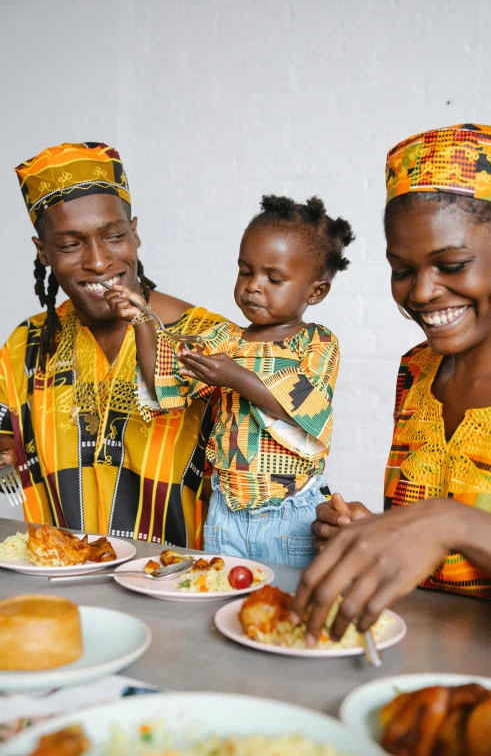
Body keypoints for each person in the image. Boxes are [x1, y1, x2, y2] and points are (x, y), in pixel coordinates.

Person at [292, 123, 491, 641]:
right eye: (402, 269)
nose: (421, 293)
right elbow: (441, 560)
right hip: (416, 662)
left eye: (452, 264)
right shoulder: (418, 371)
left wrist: (449, 523)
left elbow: (451, 527)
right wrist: (378, 534)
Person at [105, 195, 354, 566]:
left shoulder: (317, 342)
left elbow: (305, 411)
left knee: (286, 608)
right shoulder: (225, 339)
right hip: (225, 512)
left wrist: (235, 377)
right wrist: (142, 320)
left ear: (315, 291)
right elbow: (163, 383)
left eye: (274, 278)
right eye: (245, 271)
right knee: (221, 597)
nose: (253, 286)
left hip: (289, 515)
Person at [0, 142, 224, 546]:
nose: (99, 262)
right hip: (59, 579)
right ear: (43, 252)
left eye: (114, 236)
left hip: (183, 587)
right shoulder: (26, 346)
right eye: (70, 244)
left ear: (135, 233)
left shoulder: (209, 340)